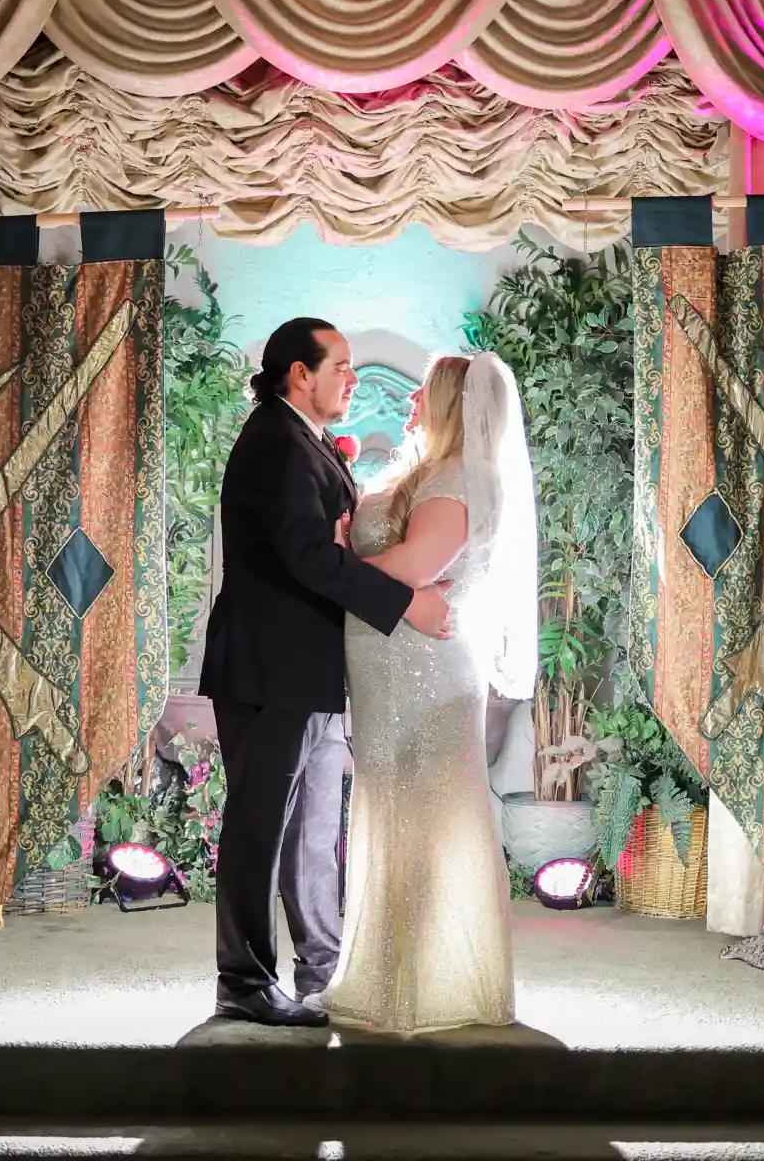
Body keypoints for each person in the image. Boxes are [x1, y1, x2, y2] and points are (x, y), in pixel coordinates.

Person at [198, 317, 455, 1029]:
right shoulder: (277, 443)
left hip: (303, 669)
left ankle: (320, 965)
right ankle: (243, 981)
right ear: (298, 375)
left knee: (311, 830)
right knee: (260, 826)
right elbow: (309, 558)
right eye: (339, 366)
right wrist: (407, 603)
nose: (353, 377)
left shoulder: (302, 443)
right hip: (265, 668)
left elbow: (324, 544)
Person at [315, 352, 538, 1033]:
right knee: (393, 810)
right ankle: (389, 974)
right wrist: (352, 549)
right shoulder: (428, 472)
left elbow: (413, 567)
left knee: (423, 820)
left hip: (422, 671)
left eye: (423, 390)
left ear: (449, 403)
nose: (411, 397)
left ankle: (421, 986)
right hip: (389, 666)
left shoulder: (457, 479)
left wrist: (332, 564)